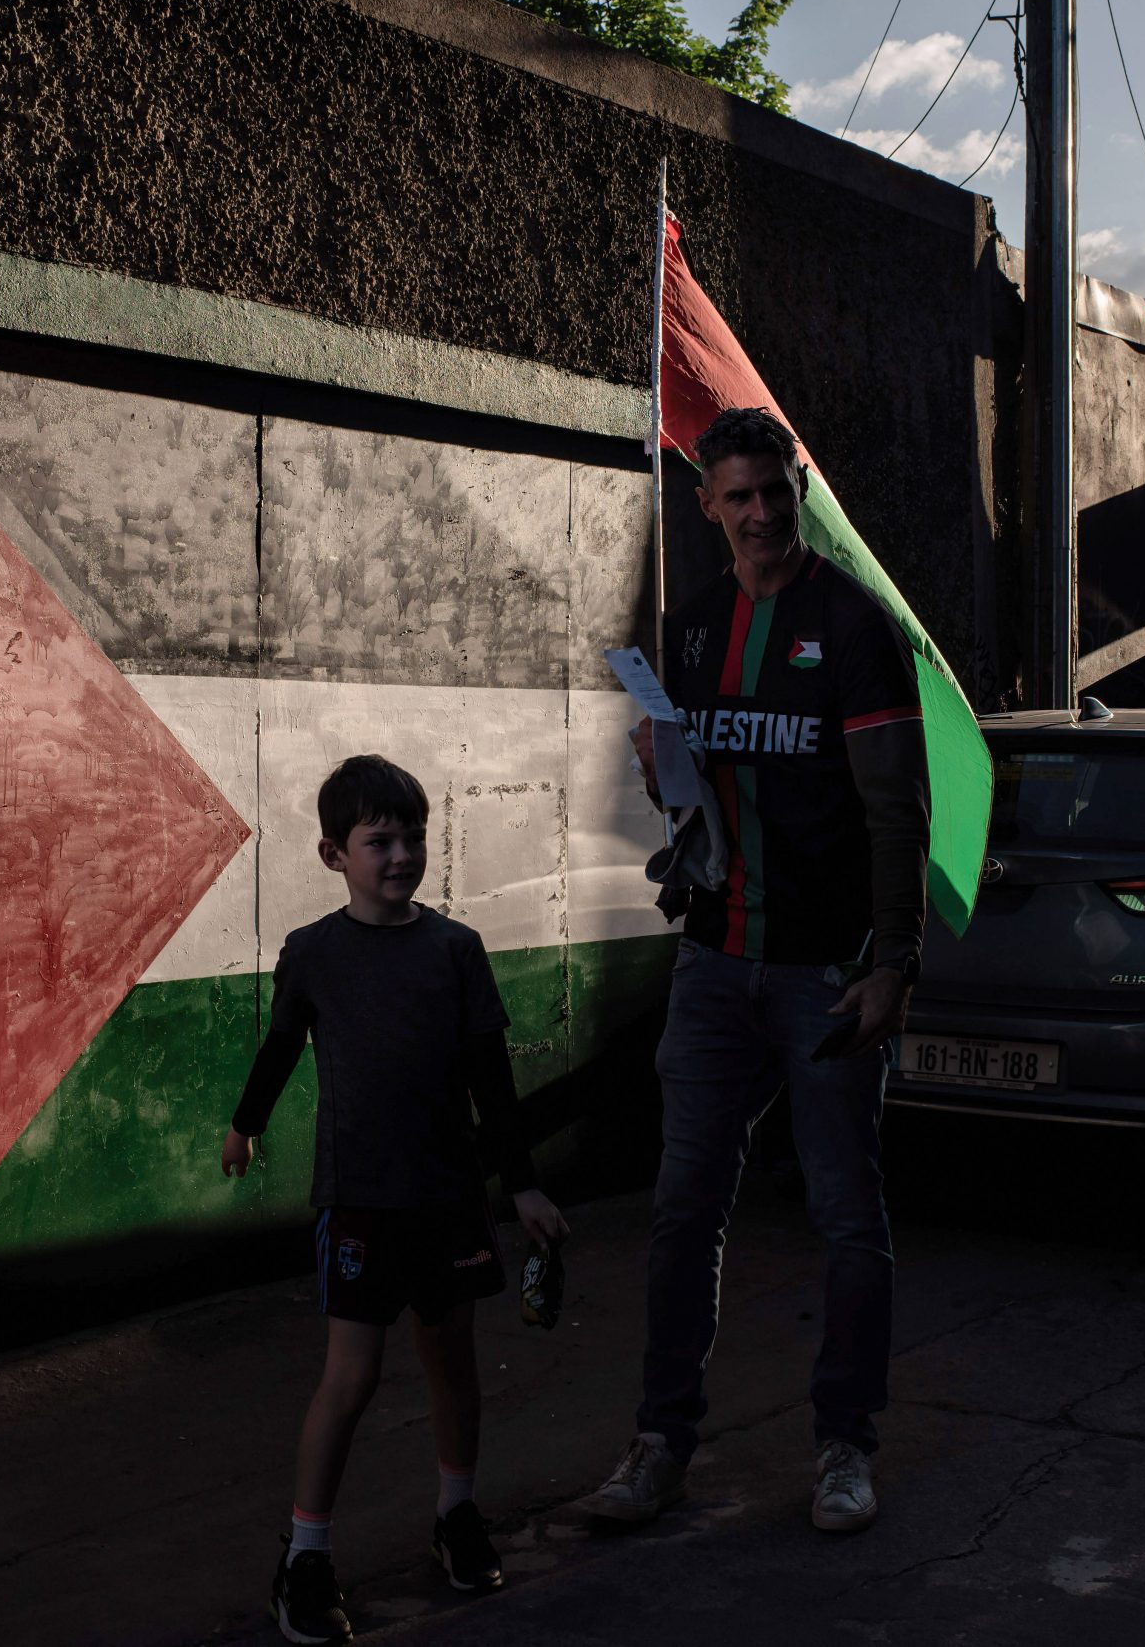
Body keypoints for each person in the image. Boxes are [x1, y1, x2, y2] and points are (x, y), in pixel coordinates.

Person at [578, 407, 930, 1535]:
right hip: (714, 965)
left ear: (799, 488)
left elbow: (896, 811)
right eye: (739, 496)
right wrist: (660, 765)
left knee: (846, 1216)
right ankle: (659, 1442)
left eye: (776, 491)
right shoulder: (689, 631)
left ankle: (845, 1447)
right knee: (683, 1208)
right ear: (709, 506)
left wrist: (895, 964)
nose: (762, 513)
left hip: (827, 975)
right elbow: (691, 799)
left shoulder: (854, 625)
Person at [223, 755, 569, 1645]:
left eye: (413, 837)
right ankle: (305, 1556)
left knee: (452, 1359)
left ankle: (457, 1513)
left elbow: (491, 1077)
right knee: (352, 1377)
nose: (402, 854)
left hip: (448, 1197)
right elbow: (280, 1046)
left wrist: (522, 1181)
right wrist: (244, 1125)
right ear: (333, 853)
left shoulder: (456, 949)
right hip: (361, 1202)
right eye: (380, 841)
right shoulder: (312, 952)